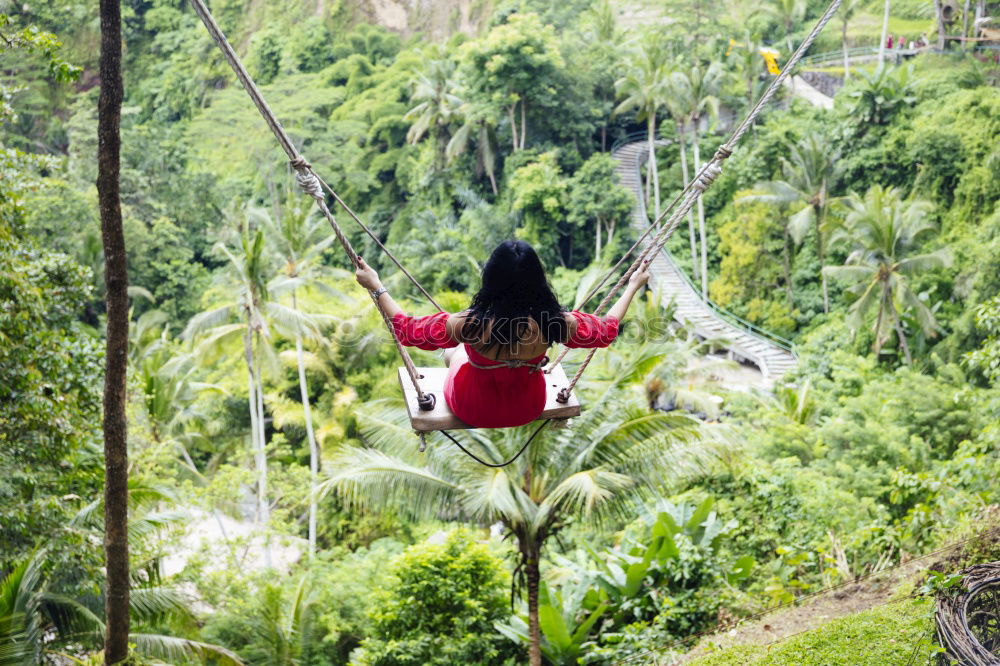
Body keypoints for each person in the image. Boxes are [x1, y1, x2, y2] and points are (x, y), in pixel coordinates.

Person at [355, 239, 651, 428]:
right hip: (527, 408)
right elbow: (607, 331)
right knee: (475, 356)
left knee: (453, 352)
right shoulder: (555, 322)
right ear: (538, 279)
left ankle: (460, 359)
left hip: (470, 407)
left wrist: (376, 285)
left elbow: (408, 332)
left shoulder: (470, 324)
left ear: (490, 279)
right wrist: (633, 286)